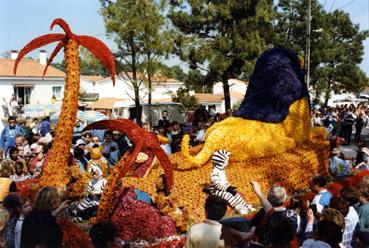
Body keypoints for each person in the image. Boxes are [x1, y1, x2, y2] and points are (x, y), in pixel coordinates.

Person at [204, 150, 253, 215]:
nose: (228, 162)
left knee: (235, 193)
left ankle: (245, 206)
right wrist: (227, 189)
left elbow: (225, 181)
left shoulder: (222, 171)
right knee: (228, 195)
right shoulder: (215, 173)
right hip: (216, 190)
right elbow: (217, 185)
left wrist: (230, 187)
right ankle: (238, 208)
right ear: (221, 162)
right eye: (226, 161)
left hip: (224, 187)